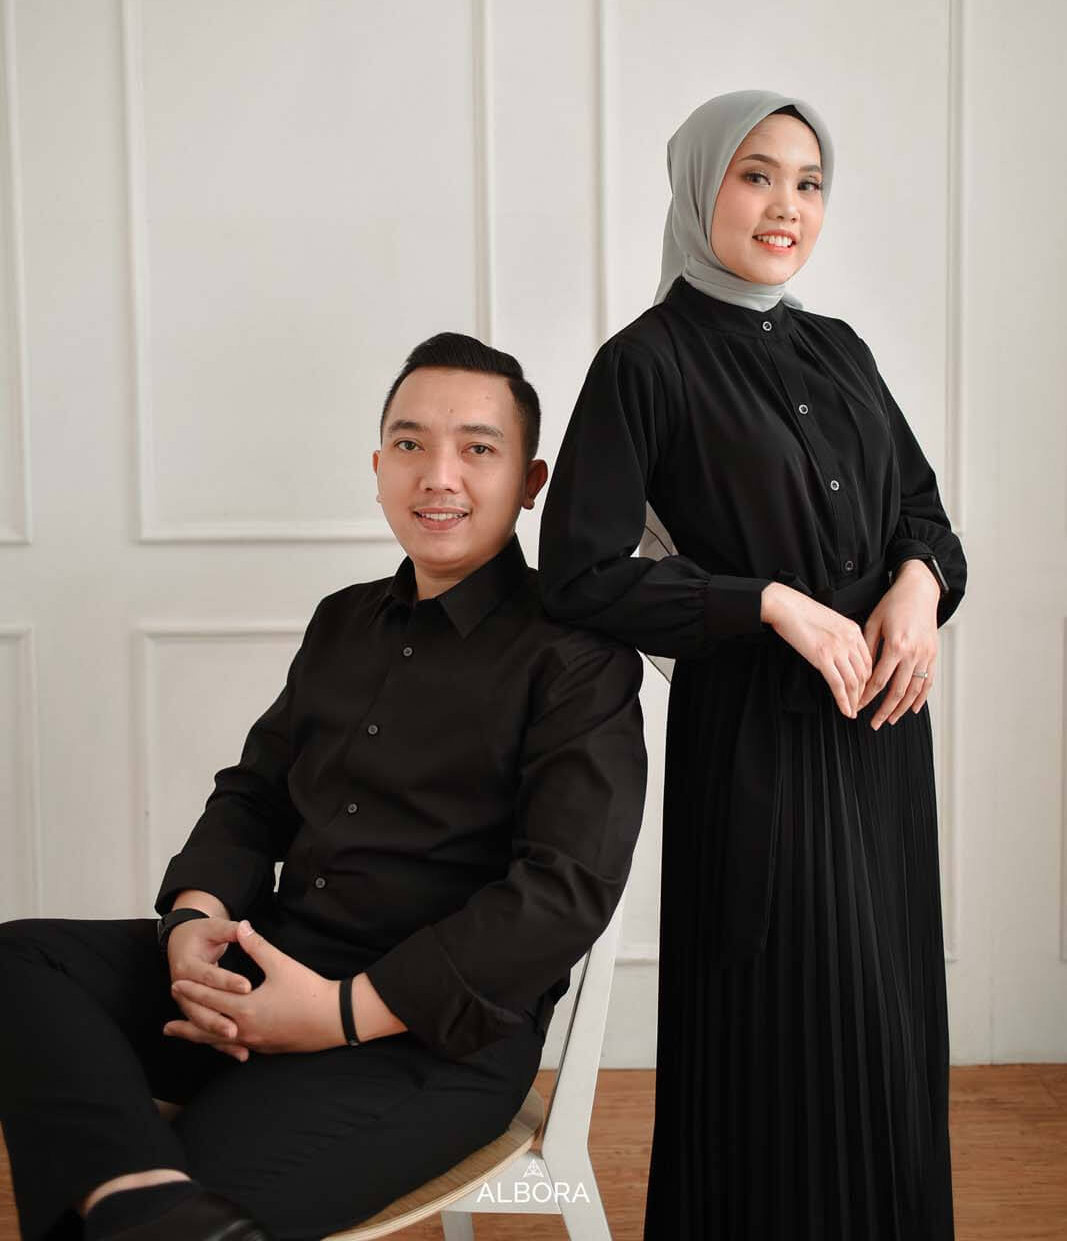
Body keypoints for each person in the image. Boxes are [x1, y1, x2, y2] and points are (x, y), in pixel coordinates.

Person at [0, 333, 647, 1241]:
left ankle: (134, 1189)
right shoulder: (343, 619)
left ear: (530, 481)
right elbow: (253, 794)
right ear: (378, 468)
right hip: (266, 963)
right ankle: (136, 1187)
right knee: (23, 962)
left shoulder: (577, 656)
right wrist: (192, 925)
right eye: (410, 443)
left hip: (422, 1041)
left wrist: (336, 1015)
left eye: (477, 448)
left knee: (166, 1214)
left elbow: (562, 894)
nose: (439, 475)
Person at [538, 90, 966, 1241]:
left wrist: (918, 588)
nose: (786, 205)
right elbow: (575, 573)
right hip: (756, 753)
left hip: (881, 746)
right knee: (783, 1034)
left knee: (887, 1033)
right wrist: (765, 602)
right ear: (699, 187)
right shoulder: (644, 364)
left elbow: (922, 515)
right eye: (755, 174)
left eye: (808, 182)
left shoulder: (840, 348)